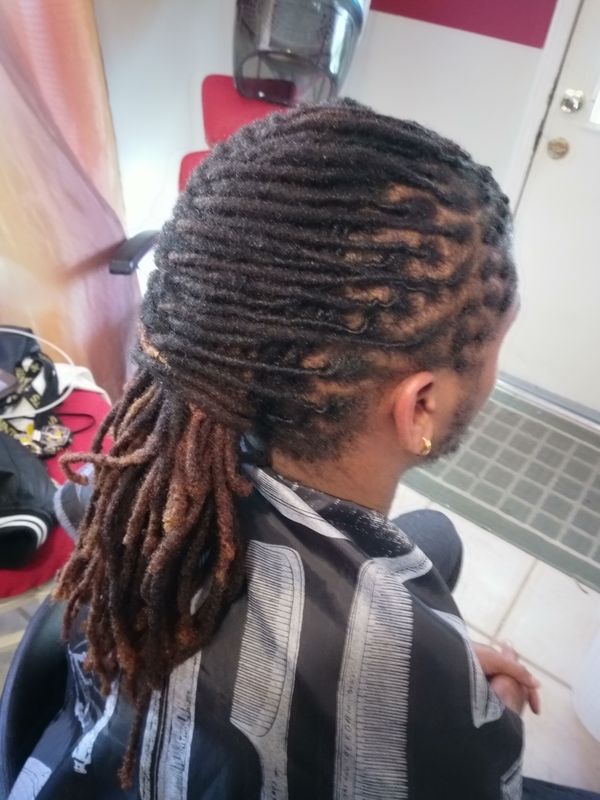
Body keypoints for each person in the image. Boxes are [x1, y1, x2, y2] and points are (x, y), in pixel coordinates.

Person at [9, 101, 598, 800]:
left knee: (435, 536)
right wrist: (483, 700)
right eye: (497, 346)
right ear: (420, 406)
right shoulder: (414, 688)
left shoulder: (146, 476)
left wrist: (414, 655)